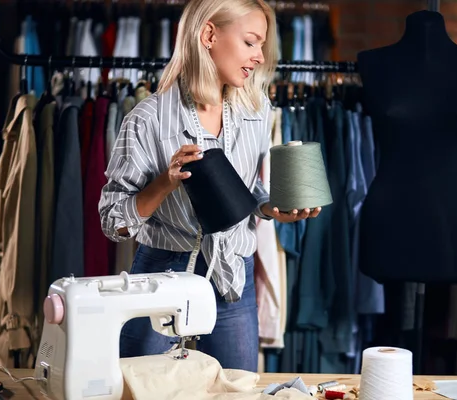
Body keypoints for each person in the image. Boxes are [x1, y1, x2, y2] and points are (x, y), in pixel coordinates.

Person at [98, 0, 321, 372]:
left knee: (237, 391)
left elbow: (245, 190)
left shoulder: (256, 109)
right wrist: (165, 183)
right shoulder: (147, 120)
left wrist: (270, 208)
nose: (259, 57)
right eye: (250, 42)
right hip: (161, 274)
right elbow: (111, 222)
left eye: (262, 45)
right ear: (208, 35)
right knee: (138, 390)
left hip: (233, 272)